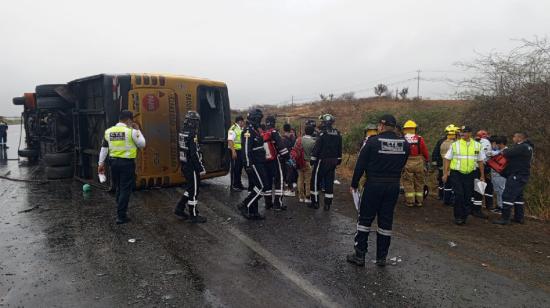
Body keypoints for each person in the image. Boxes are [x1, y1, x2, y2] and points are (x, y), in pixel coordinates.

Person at [347, 114, 410, 267]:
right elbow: (403, 163)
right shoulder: (404, 144)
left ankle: (360, 254)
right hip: (393, 186)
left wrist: (354, 184)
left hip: (374, 185)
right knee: (386, 221)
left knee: (365, 220)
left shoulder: (372, 142)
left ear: (381, 126)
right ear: (394, 127)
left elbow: (360, 165)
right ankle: (382, 257)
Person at [98, 110, 146, 224]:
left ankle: (119, 206)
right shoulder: (131, 132)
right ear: (129, 120)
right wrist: (138, 129)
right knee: (125, 189)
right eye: (132, 120)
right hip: (127, 164)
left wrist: (100, 163)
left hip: (113, 163)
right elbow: (142, 144)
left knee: (118, 186)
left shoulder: (108, 131)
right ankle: (121, 216)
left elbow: (104, 149)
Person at [442, 126, 486, 225]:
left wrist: (482, 176)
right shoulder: (455, 145)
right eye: (461, 132)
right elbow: (447, 159)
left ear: (470, 133)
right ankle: (458, 217)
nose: (462, 134)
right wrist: (445, 173)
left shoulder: (477, 145)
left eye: (465, 132)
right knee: (459, 195)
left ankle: (464, 216)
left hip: (470, 174)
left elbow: (480, 161)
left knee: (467, 196)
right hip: (456, 173)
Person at [493, 132, 534, 225]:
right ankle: (519, 217)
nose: (513, 138)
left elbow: (507, 153)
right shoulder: (529, 147)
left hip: (517, 175)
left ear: (519, 138)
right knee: (518, 197)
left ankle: (505, 218)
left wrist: (503, 151)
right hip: (523, 174)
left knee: (507, 195)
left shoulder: (522, 147)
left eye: (514, 137)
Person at [174, 111, 207, 223]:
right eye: (196, 121)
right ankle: (193, 215)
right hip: (191, 166)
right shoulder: (192, 134)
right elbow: (194, 153)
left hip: (184, 163)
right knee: (194, 191)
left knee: (190, 188)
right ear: (193, 122)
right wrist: (200, 168)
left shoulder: (182, 132)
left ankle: (179, 208)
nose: (197, 124)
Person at [239, 109, 268, 220]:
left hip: (259, 162)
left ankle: (253, 211)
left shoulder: (255, 130)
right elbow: (246, 149)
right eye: (259, 118)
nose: (260, 121)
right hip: (254, 163)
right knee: (262, 186)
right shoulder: (248, 131)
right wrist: (247, 164)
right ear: (255, 119)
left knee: (254, 187)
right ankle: (245, 205)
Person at [309, 114, 342, 211]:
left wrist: (313, 159)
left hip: (322, 161)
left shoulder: (322, 134)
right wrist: (339, 159)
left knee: (315, 181)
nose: (321, 123)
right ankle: (327, 204)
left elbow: (317, 147)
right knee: (329, 182)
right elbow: (339, 148)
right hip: (333, 161)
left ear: (324, 122)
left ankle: (315, 202)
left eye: (322, 121)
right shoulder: (337, 133)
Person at [262, 115, 290, 211]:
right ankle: (278, 204)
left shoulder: (262, 133)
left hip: (265, 161)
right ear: (274, 123)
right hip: (275, 161)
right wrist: (287, 158)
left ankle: (268, 203)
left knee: (267, 182)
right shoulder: (274, 132)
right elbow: (281, 147)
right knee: (279, 181)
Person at [402, 120, 429, 207]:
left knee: (408, 182)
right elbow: (425, 151)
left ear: (405, 129)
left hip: (407, 162)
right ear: (415, 129)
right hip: (419, 162)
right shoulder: (420, 138)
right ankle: (419, 201)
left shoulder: (403, 139)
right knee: (419, 182)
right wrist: (427, 160)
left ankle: (410, 201)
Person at [293, 124, 316, 204]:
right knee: (308, 180)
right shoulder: (313, 142)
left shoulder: (298, 140)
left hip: (299, 162)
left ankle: (301, 197)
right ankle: (307, 197)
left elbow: (295, 150)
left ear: (304, 131)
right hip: (308, 162)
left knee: (300, 179)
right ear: (312, 132)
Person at [473, 130, 494, 212]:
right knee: (485, 186)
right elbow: (487, 154)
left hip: (478, 166)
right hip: (484, 166)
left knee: (479, 186)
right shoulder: (487, 142)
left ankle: (476, 206)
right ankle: (486, 205)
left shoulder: (478, 142)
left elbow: (478, 154)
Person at [439, 125, 459, 206]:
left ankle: (446, 200)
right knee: (452, 185)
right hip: (451, 167)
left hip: (444, 166)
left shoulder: (443, 143)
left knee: (446, 185)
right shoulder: (453, 144)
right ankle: (452, 201)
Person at [489, 135, 507, 213]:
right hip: (495, 174)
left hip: (501, 174)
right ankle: (499, 206)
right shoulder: (497, 151)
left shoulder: (506, 151)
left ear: (501, 144)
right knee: (497, 191)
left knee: (501, 190)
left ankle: (503, 207)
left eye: (496, 144)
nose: (495, 145)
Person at [228, 115, 246, 191]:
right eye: (243, 122)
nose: (243, 123)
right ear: (240, 121)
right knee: (235, 169)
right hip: (235, 151)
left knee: (239, 169)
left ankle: (239, 184)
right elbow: (230, 140)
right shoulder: (233, 128)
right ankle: (233, 186)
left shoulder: (240, 128)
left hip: (240, 151)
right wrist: (233, 151)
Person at [432, 126, 450, 200]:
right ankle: (444, 196)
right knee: (445, 180)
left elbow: (435, 152)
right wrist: (435, 162)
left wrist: (435, 162)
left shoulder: (441, 141)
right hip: (443, 164)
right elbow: (436, 152)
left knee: (442, 180)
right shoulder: (455, 142)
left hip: (442, 164)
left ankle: (441, 195)